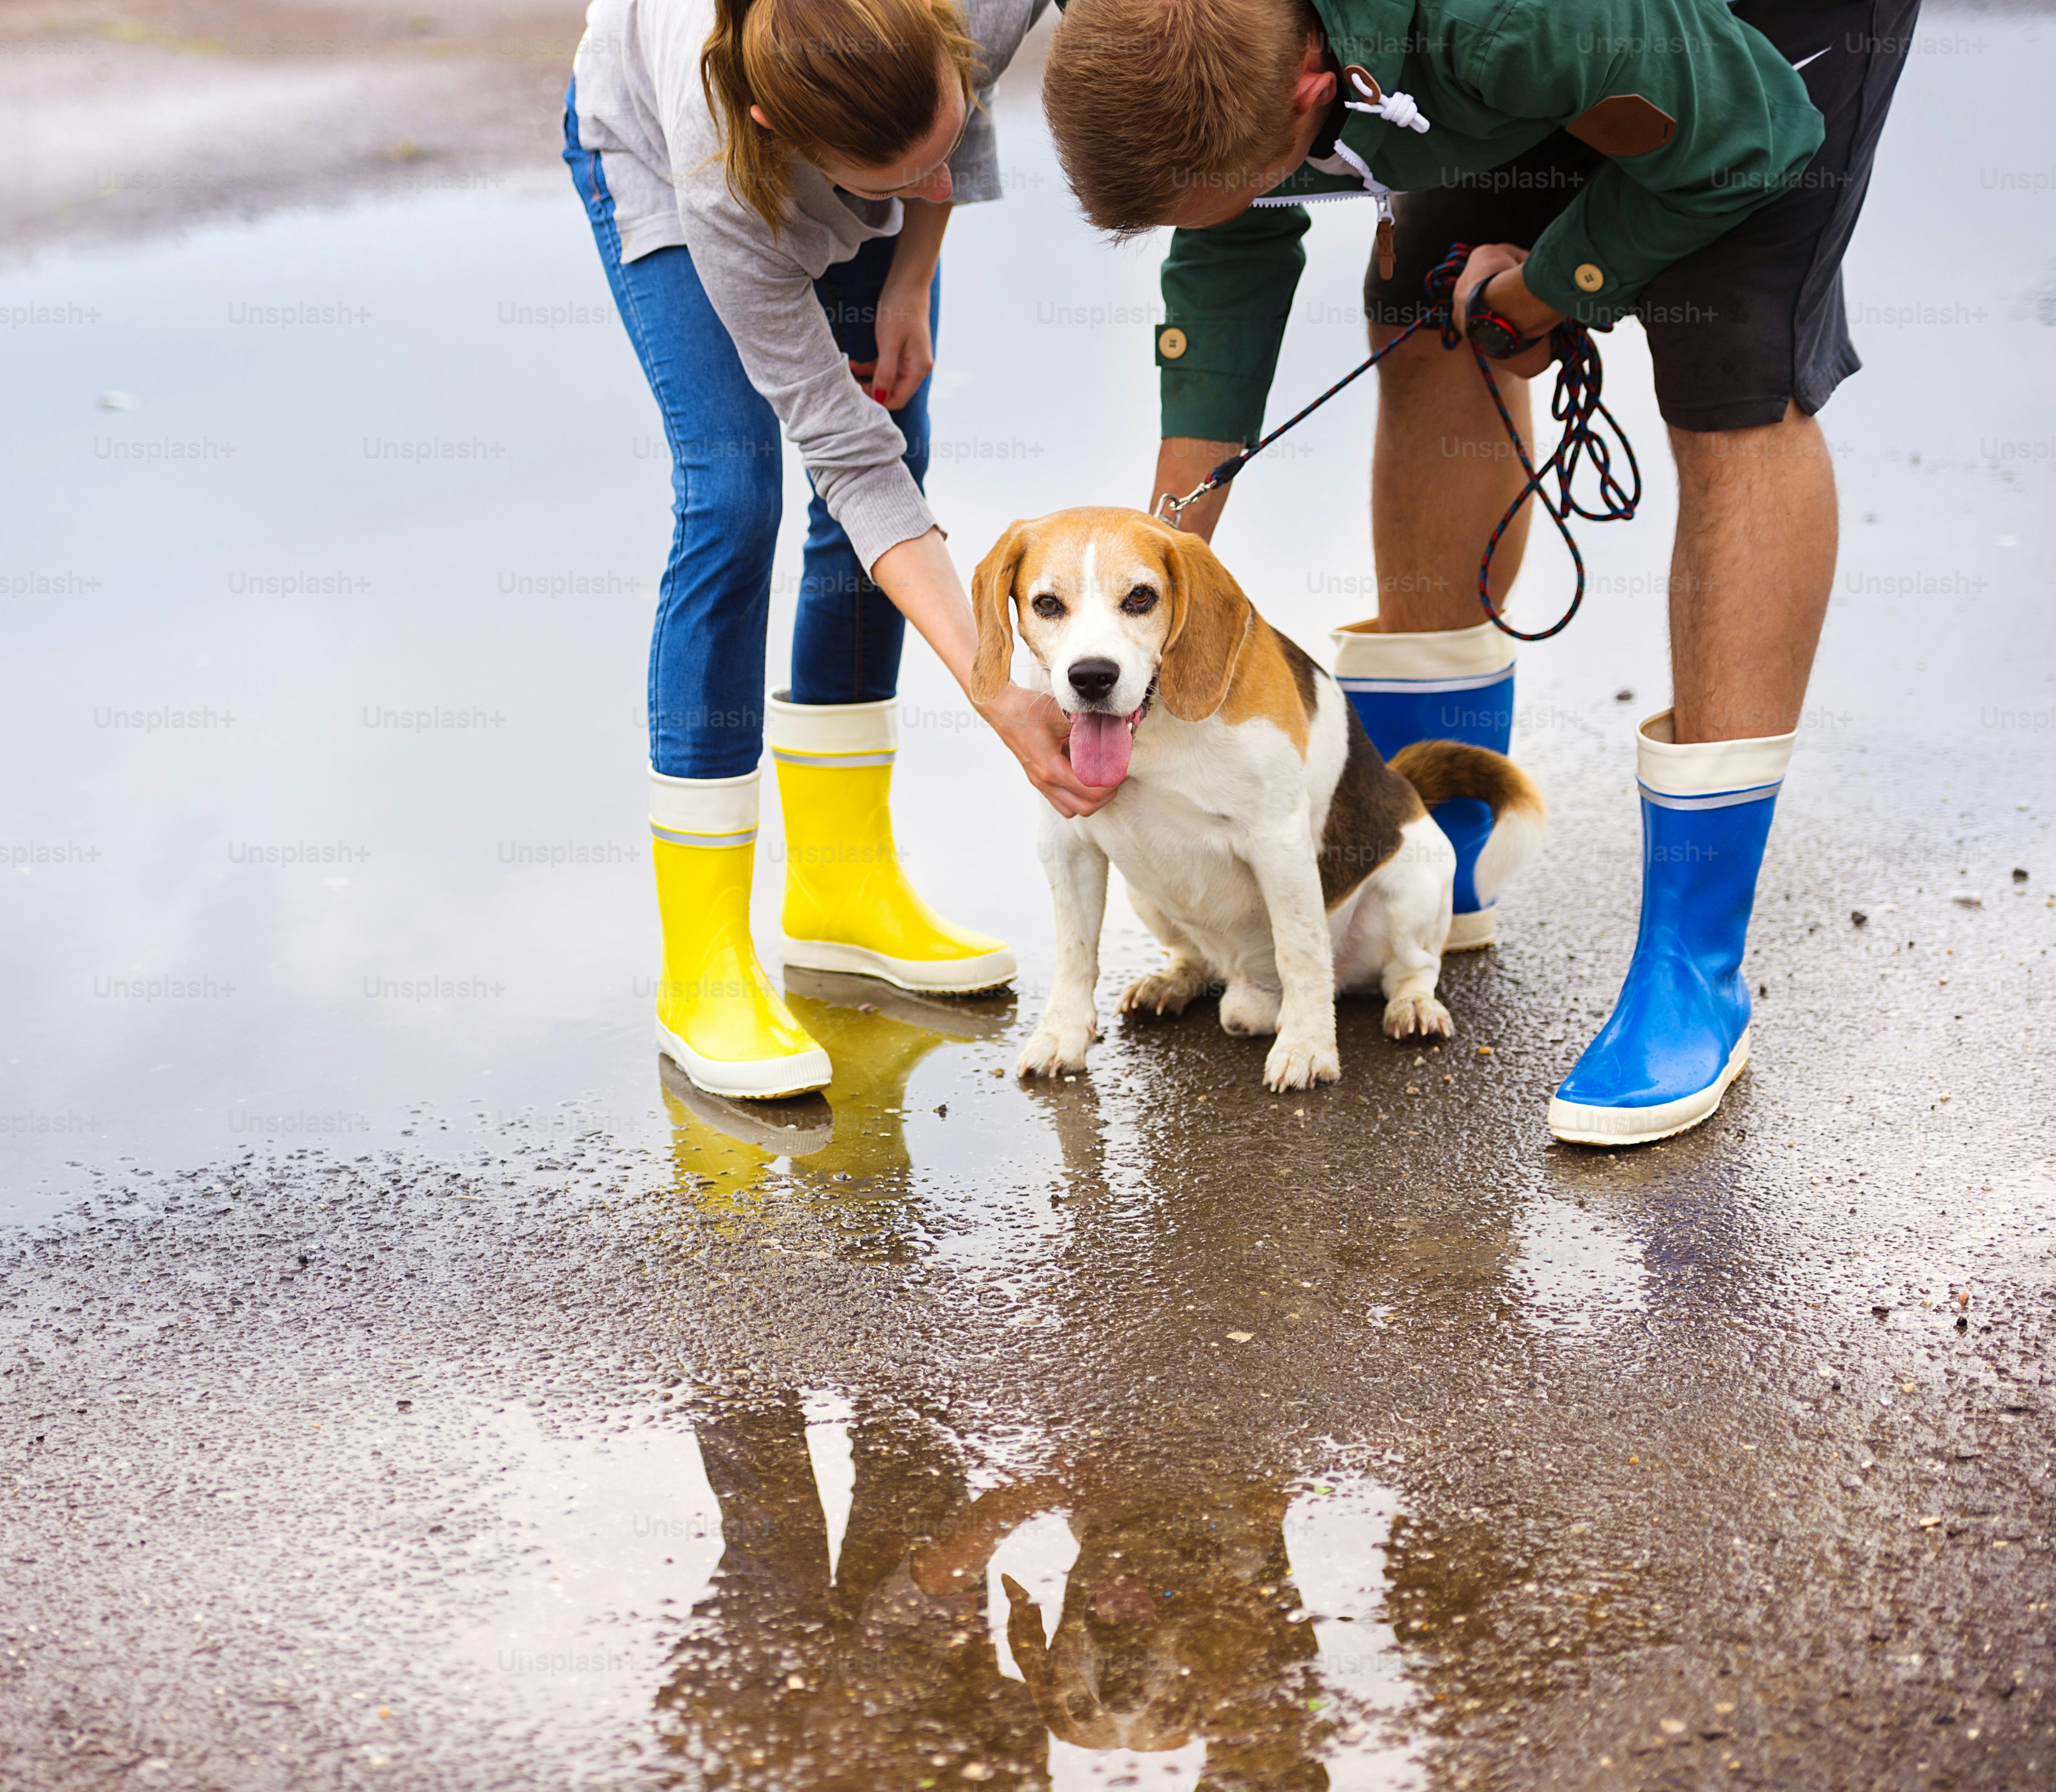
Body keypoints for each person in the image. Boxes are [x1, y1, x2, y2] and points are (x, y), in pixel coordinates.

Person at [1041, 0, 1915, 1144]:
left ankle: (1693, 966)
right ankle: (1424, 852)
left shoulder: (1503, 32)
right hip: (1491, 42)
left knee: (1729, 364)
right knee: (1429, 293)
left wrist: (1557, 283)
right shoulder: (1224, 40)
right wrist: (1163, 575)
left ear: (1310, 89)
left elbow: (1751, 134)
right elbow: (1230, 231)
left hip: (1755, 61)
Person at [568, 0, 1100, 1103]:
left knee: (897, 426)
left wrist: (908, 275)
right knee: (734, 495)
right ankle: (704, 966)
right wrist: (996, 688)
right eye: (888, 174)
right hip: (658, 155)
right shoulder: (724, 170)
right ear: (782, 127)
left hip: (868, 120)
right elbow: (848, 470)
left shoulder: (965, 19)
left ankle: (841, 889)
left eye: (938, 148)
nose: (923, 181)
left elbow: (955, 121)